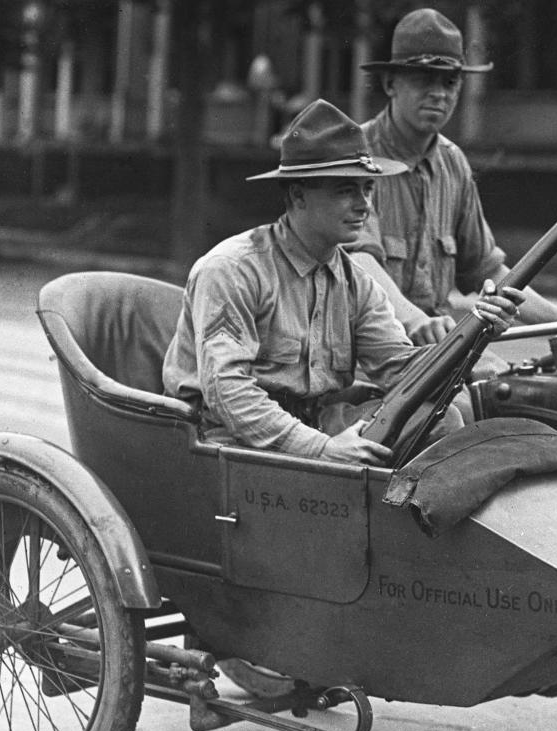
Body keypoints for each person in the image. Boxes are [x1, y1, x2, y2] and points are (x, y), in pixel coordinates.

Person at [162, 98, 523, 467]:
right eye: (345, 190)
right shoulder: (233, 270)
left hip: (315, 422)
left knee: (441, 418)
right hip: (226, 441)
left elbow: (403, 369)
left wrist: (476, 333)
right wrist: (321, 449)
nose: (364, 204)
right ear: (297, 195)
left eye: (367, 188)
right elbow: (227, 392)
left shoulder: (355, 284)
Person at [349, 7, 557, 346]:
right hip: (367, 354)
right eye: (423, 79)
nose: (439, 94)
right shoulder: (356, 156)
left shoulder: (453, 164)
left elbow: (487, 271)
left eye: (450, 82)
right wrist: (414, 319)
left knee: (518, 394)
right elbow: (358, 260)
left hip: (435, 356)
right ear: (390, 84)